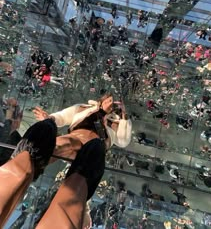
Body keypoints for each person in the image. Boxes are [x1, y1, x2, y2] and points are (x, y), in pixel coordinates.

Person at [0, 93, 132, 228]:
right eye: (109, 99)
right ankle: (34, 161)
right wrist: (50, 117)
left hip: (90, 143)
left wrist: (124, 116)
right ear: (102, 99)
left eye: (113, 102)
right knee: (65, 148)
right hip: (81, 141)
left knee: (56, 147)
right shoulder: (83, 108)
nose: (111, 102)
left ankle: (26, 160)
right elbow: (62, 117)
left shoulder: (115, 121)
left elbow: (123, 140)